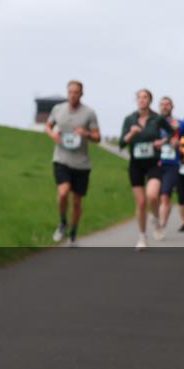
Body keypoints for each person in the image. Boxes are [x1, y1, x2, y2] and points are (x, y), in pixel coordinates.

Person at [45, 80, 101, 246]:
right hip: (61, 159)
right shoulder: (58, 109)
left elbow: (98, 137)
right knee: (63, 192)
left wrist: (86, 134)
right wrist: (53, 135)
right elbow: (48, 126)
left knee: (77, 202)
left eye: (76, 92)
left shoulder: (89, 113)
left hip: (81, 163)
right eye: (70, 92)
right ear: (67, 92)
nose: (73, 95)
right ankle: (62, 222)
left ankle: (73, 233)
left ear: (81, 94)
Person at [118, 89, 173, 251]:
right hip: (136, 164)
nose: (142, 100)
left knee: (153, 195)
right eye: (139, 97)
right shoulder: (129, 119)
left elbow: (171, 132)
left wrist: (162, 142)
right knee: (141, 203)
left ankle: (155, 219)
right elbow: (122, 143)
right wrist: (131, 133)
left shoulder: (157, 119)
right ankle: (142, 237)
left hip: (153, 163)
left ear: (150, 100)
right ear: (136, 100)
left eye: (145, 97)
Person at [155, 96, 184, 238]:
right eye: (162, 104)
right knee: (154, 196)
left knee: (165, 195)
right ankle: (156, 218)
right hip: (155, 163)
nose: (165, 107)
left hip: (172, 164)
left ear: (172, 106)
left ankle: (162, 225)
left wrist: (181, 144)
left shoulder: (180, 123)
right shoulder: (153, 122)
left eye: (167, 104)